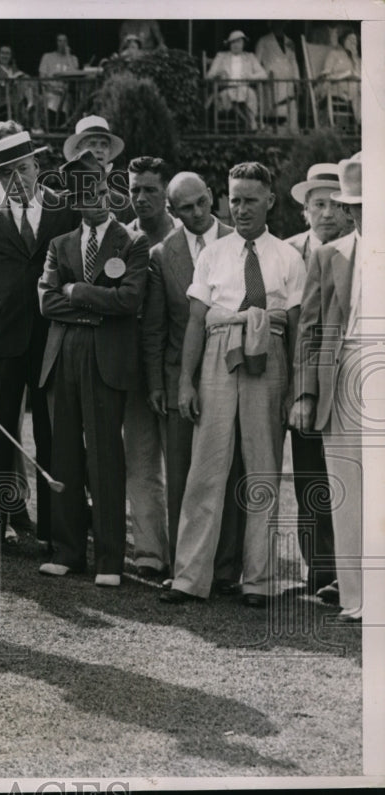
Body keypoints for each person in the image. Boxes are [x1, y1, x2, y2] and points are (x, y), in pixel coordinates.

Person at [162, 162, 305, 607]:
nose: (240, 209)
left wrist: (293, 391)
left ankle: (258, 580)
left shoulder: (287, 256)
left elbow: (298, 329)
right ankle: (189, 577)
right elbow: (195, 322)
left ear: (270, 202)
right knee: (206, 470)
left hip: (271, 356)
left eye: (250, 200)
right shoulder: (212, 254)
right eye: (235, 199)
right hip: (218, 357)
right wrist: (185, 381)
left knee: (262, 469)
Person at [36, 150, 149, 587]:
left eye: (102, 190)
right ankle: (67, 551)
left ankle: (108, 559)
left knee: (104, 454)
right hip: (63, 355)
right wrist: (93, 304)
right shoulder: (59, 244)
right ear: (74, 199)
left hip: (107, 359)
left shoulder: (131, 242)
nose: (97, 200)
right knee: (63, 451)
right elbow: (46, 301)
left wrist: (77, 291)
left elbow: (129, 300)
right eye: (87, 194)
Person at [0, 126, 75, 546]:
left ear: (37, 166)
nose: (17, 180)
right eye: (6, 173)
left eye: (23, 169)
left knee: (52, 433)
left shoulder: (64, 212)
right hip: (0, 341)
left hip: (50, 340)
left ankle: (54, 529)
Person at [141, 171, 247, 591]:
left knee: (231, 471)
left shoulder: (240, 243)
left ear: (212, 197)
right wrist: (156, 383)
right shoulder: (162, 254)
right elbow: (153, 327)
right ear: (172, 211)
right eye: (187, 208)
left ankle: (225, 571)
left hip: (231, 372)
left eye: (203, 202)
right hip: (175, 378)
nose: (199, 212)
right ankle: (184, 567)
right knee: (183, 475)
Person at [289, 153, 364, 623]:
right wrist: (305, 393)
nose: (359, 212)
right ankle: (356, 596)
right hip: (342, 375)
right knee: (346, 488)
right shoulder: (327, 255)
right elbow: (311, 330)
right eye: (354, 204)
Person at [121, 156, 174, 580]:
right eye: (135, 189)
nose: (140, 198)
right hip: (134, 370)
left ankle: (188, 550)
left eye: (150, 190)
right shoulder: (122, 239)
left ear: (166, 193)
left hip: (179, 370)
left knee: (182, 465)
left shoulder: (188, 237)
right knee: (139, 462)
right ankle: (150, 552)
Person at [62, 115, 133, 223]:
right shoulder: (61, 202)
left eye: (104, 145)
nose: (99, 149)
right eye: (92, 144)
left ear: (110, 152)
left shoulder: (123, 205)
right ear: (78, 151)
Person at [206, 31, 267, 132]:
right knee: (233, 94)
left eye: (239, 42)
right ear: (229, 44)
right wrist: (219, 76)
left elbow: (263, 75)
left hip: (245, 90)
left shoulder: (250, 57)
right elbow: (209, 75)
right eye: (233, 42)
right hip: (226, 90)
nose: (236, 45)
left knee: (249, 94)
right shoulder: (221, 56)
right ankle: (251, 122)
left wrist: (250, 76)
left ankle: (248, 122)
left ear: (243, 44)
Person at [255, 21, 301, 132]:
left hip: (288, 78)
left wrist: (297, 80)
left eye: (282, 23)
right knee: (275, 108)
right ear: (271, 24)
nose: (280, 25)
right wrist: (263, 76)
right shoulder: (264, 41)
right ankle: (272, 131)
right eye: (277, 22)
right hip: (272, 79)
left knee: (290, 107)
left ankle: (291, 131)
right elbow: (256, 63)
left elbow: (293, 62)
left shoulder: (289, 42)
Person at [0, 45, 36, 131]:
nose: (5, 55)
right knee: (22, 83)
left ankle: (30, 103)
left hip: (15, 96)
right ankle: (30, 104)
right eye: (2, 53)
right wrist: (5, 82)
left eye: (7, 53)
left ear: (11, 56)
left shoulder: (13, 68)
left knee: (27, 79)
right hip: (1, 98)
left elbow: (22, 75)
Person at [318, 28, 361, 125]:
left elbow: (361, 75)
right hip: (337, 87)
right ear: (343, 40)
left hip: (353, 89)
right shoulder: (334, 54)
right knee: (358, 89)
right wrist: (345, 74)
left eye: (355, 41)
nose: (353, 43)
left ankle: (362, 122)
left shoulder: (357, 59)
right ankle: (361, 122)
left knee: (361, 89)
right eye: (350, 39)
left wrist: (355, 58)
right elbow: (326, 75)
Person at [38, 34, 79, 128]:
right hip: (50, 92)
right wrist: (54, 89)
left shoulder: (73, 59)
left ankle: (63, 128)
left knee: (68, 103)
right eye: (59, 41)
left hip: (66, 94)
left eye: (65, 41)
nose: (62, 44)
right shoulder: (47, 56)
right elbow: (42, 78)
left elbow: (75, 74)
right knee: (52, 102)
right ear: (56, 43)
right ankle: (51, 129)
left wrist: (68, 55)